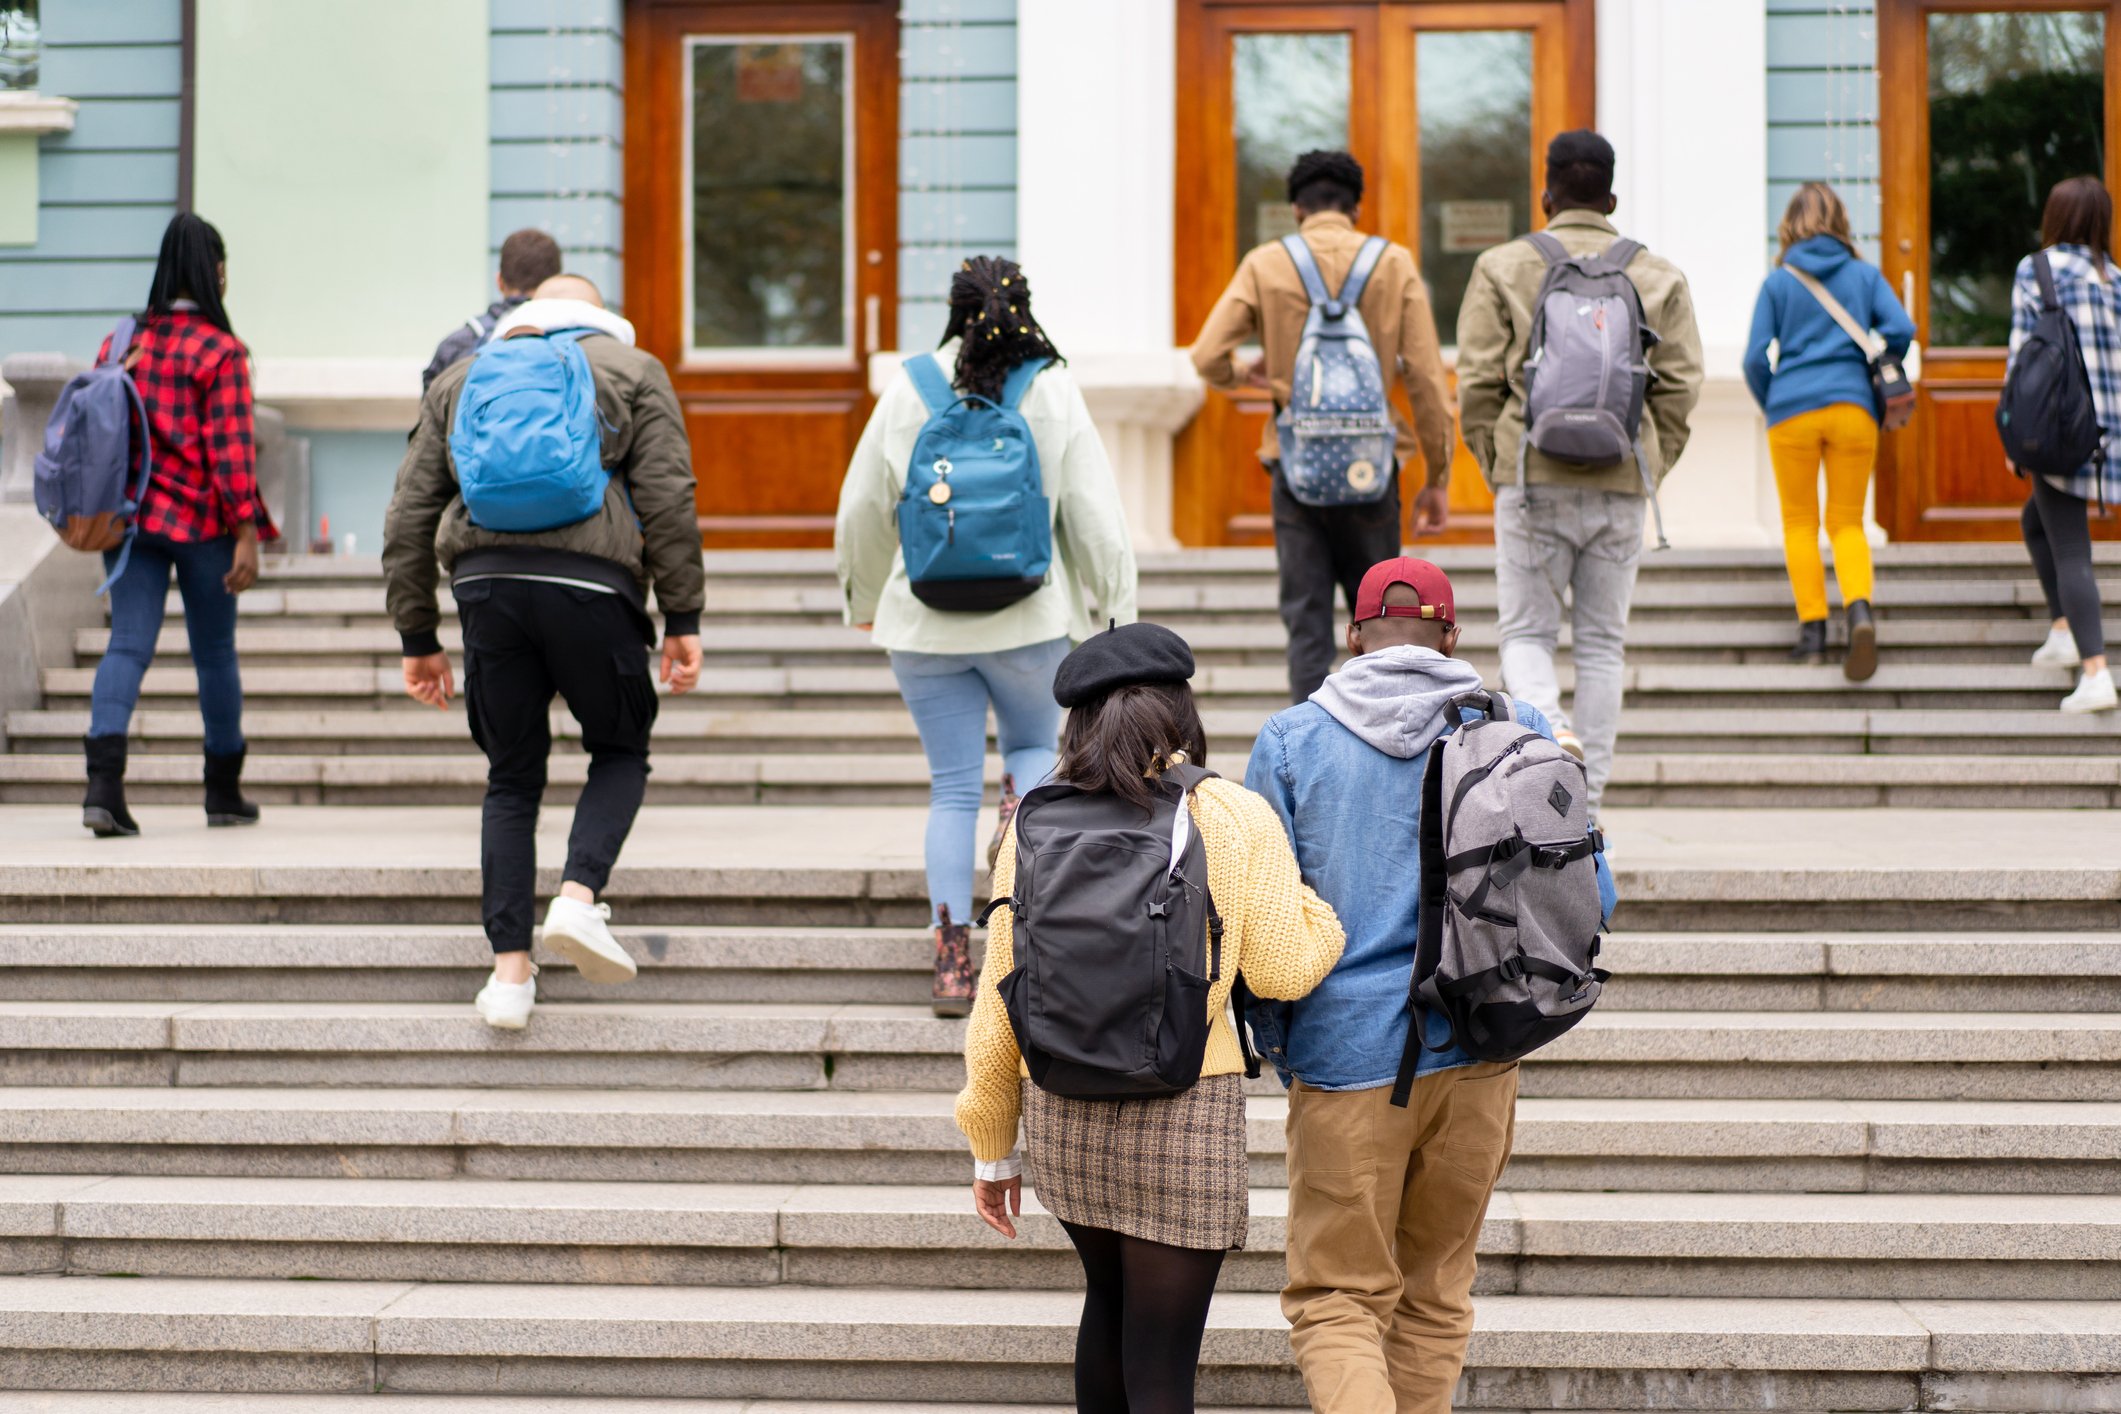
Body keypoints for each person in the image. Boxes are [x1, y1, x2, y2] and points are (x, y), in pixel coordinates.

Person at [1243, 556, 1614, 1414]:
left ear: (1352, 635)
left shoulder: (1292, 739)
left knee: (1337, 1298)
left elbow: (1260, 915)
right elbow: (1595, 895)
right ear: (1451, 636)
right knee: (1436, 1294)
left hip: (1345, 1056)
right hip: (1482, 1045)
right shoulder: (1516, 726)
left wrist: (1275, 1040)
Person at [956, 622, 1345, 1414]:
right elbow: (1281, 968)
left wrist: (993, 1147)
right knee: (1162, 1362)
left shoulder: (1030, 819)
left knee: (1106, 1307)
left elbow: (998, 992)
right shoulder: (1228, 811)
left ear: (1076, 721)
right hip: (1183, 1106)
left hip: (1062, 1102)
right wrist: (1318, 913)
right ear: (1180, 708)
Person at [383, 273, 707, 1027]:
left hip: (485, 585)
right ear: (597, 317)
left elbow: (407, 512)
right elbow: (667, 496)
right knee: (620, 750)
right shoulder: (632, 370)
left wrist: (416, 636)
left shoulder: (465, 376)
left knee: (511, 776)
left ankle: (509, 978)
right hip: (596, 589)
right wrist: (683, 615)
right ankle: (578, 897)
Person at [835, 256, 1138, 1017]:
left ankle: (949, 963)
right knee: (1037, 755)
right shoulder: (1051, 385)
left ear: (952, 309)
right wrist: (1116, 614)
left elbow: (863, 507)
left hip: (924, 621)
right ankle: (1022, 918)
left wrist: (867, 597)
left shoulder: (908, 384)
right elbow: (1094, 513)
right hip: (1031, 619)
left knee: (948, 787)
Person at [1457, 129, 1703, 820]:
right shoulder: (1657, 275)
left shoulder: (1503, 265)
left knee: (1526, 635)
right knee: (1600, 644)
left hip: (1530, 478)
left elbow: (1475, 381)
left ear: (1546, 193)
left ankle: (1546, 747)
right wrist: (1648, 459)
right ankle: (1584, 806)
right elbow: (1681, 387)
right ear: (1611, 198)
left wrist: (1499, 461)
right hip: (1621, 481)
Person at [1189, 150, 1456, 704]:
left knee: (1308, 624)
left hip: (1297, 466)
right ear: (1355, 207)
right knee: (1388, 619)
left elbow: (1207, 355)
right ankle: (1391, 741)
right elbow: (1429, 379)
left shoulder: (1265, 263)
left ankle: (1307, 754)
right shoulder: (1394, 263)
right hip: (1373, 467)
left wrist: (1246, 371)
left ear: (1296, 209)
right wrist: (1437, 475)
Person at [81, 211, 273, 839]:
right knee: (214, 653)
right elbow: (232, 451)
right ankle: (223, 792)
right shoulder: (220, 350)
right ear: (215, 272)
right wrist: (246, 531)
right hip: (204, 527)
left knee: (127, 646)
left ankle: (103, 789)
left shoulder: (123, 341)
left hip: (130, 520)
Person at [1742, 181, 1914, 679]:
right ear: (1841, 222)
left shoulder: (1778, 282)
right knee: (1847, 522)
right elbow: (1901, 328)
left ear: (1790, 224)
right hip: (1853, 409)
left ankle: (1813, 633)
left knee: (1800, 523)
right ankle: (1859, 611)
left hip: (1791, 411)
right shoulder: (1863, 274)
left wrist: (1773, 397)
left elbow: (1754, 356)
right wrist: (1877, 368)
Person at [2010, 175, 2120, 714]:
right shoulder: (2116, 280)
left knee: (2071, 549)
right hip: (2109, 434)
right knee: (2037, 523)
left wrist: (2015, 438)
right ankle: (2062, 629)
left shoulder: (2036, 271)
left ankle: (2096, 671)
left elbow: (2020, 363)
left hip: (2060, 431)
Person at [421, 228, 564, 390]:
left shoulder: (457, 344)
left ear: (499, 282)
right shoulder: (573, 342)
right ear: (557, 283)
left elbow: (432, 409)